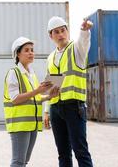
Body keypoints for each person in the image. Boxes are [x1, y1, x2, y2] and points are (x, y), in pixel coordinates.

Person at [43, 16, 93, 167]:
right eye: (56, 32)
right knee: (63, 154)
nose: (60, 34)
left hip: (74, 107)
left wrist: (84, 30)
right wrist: (46, 110)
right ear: (50, 36)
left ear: (67, 31)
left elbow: (84, 42)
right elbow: (50, 85)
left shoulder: (76, 49)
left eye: (63, 30)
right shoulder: (50, 57)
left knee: (80, 152)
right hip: (55, 109)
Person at [3, 36, 59, 167]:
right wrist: (38, 91)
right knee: (18, 162)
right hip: (20, 125)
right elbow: (15, 99)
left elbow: (35, 98)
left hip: (32, 125)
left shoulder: (31, 74)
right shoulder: (14, 73)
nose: (31, 53)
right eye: (27, 50)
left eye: (32, 50)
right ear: (18, 53)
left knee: (24, 161)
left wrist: (48, 96)